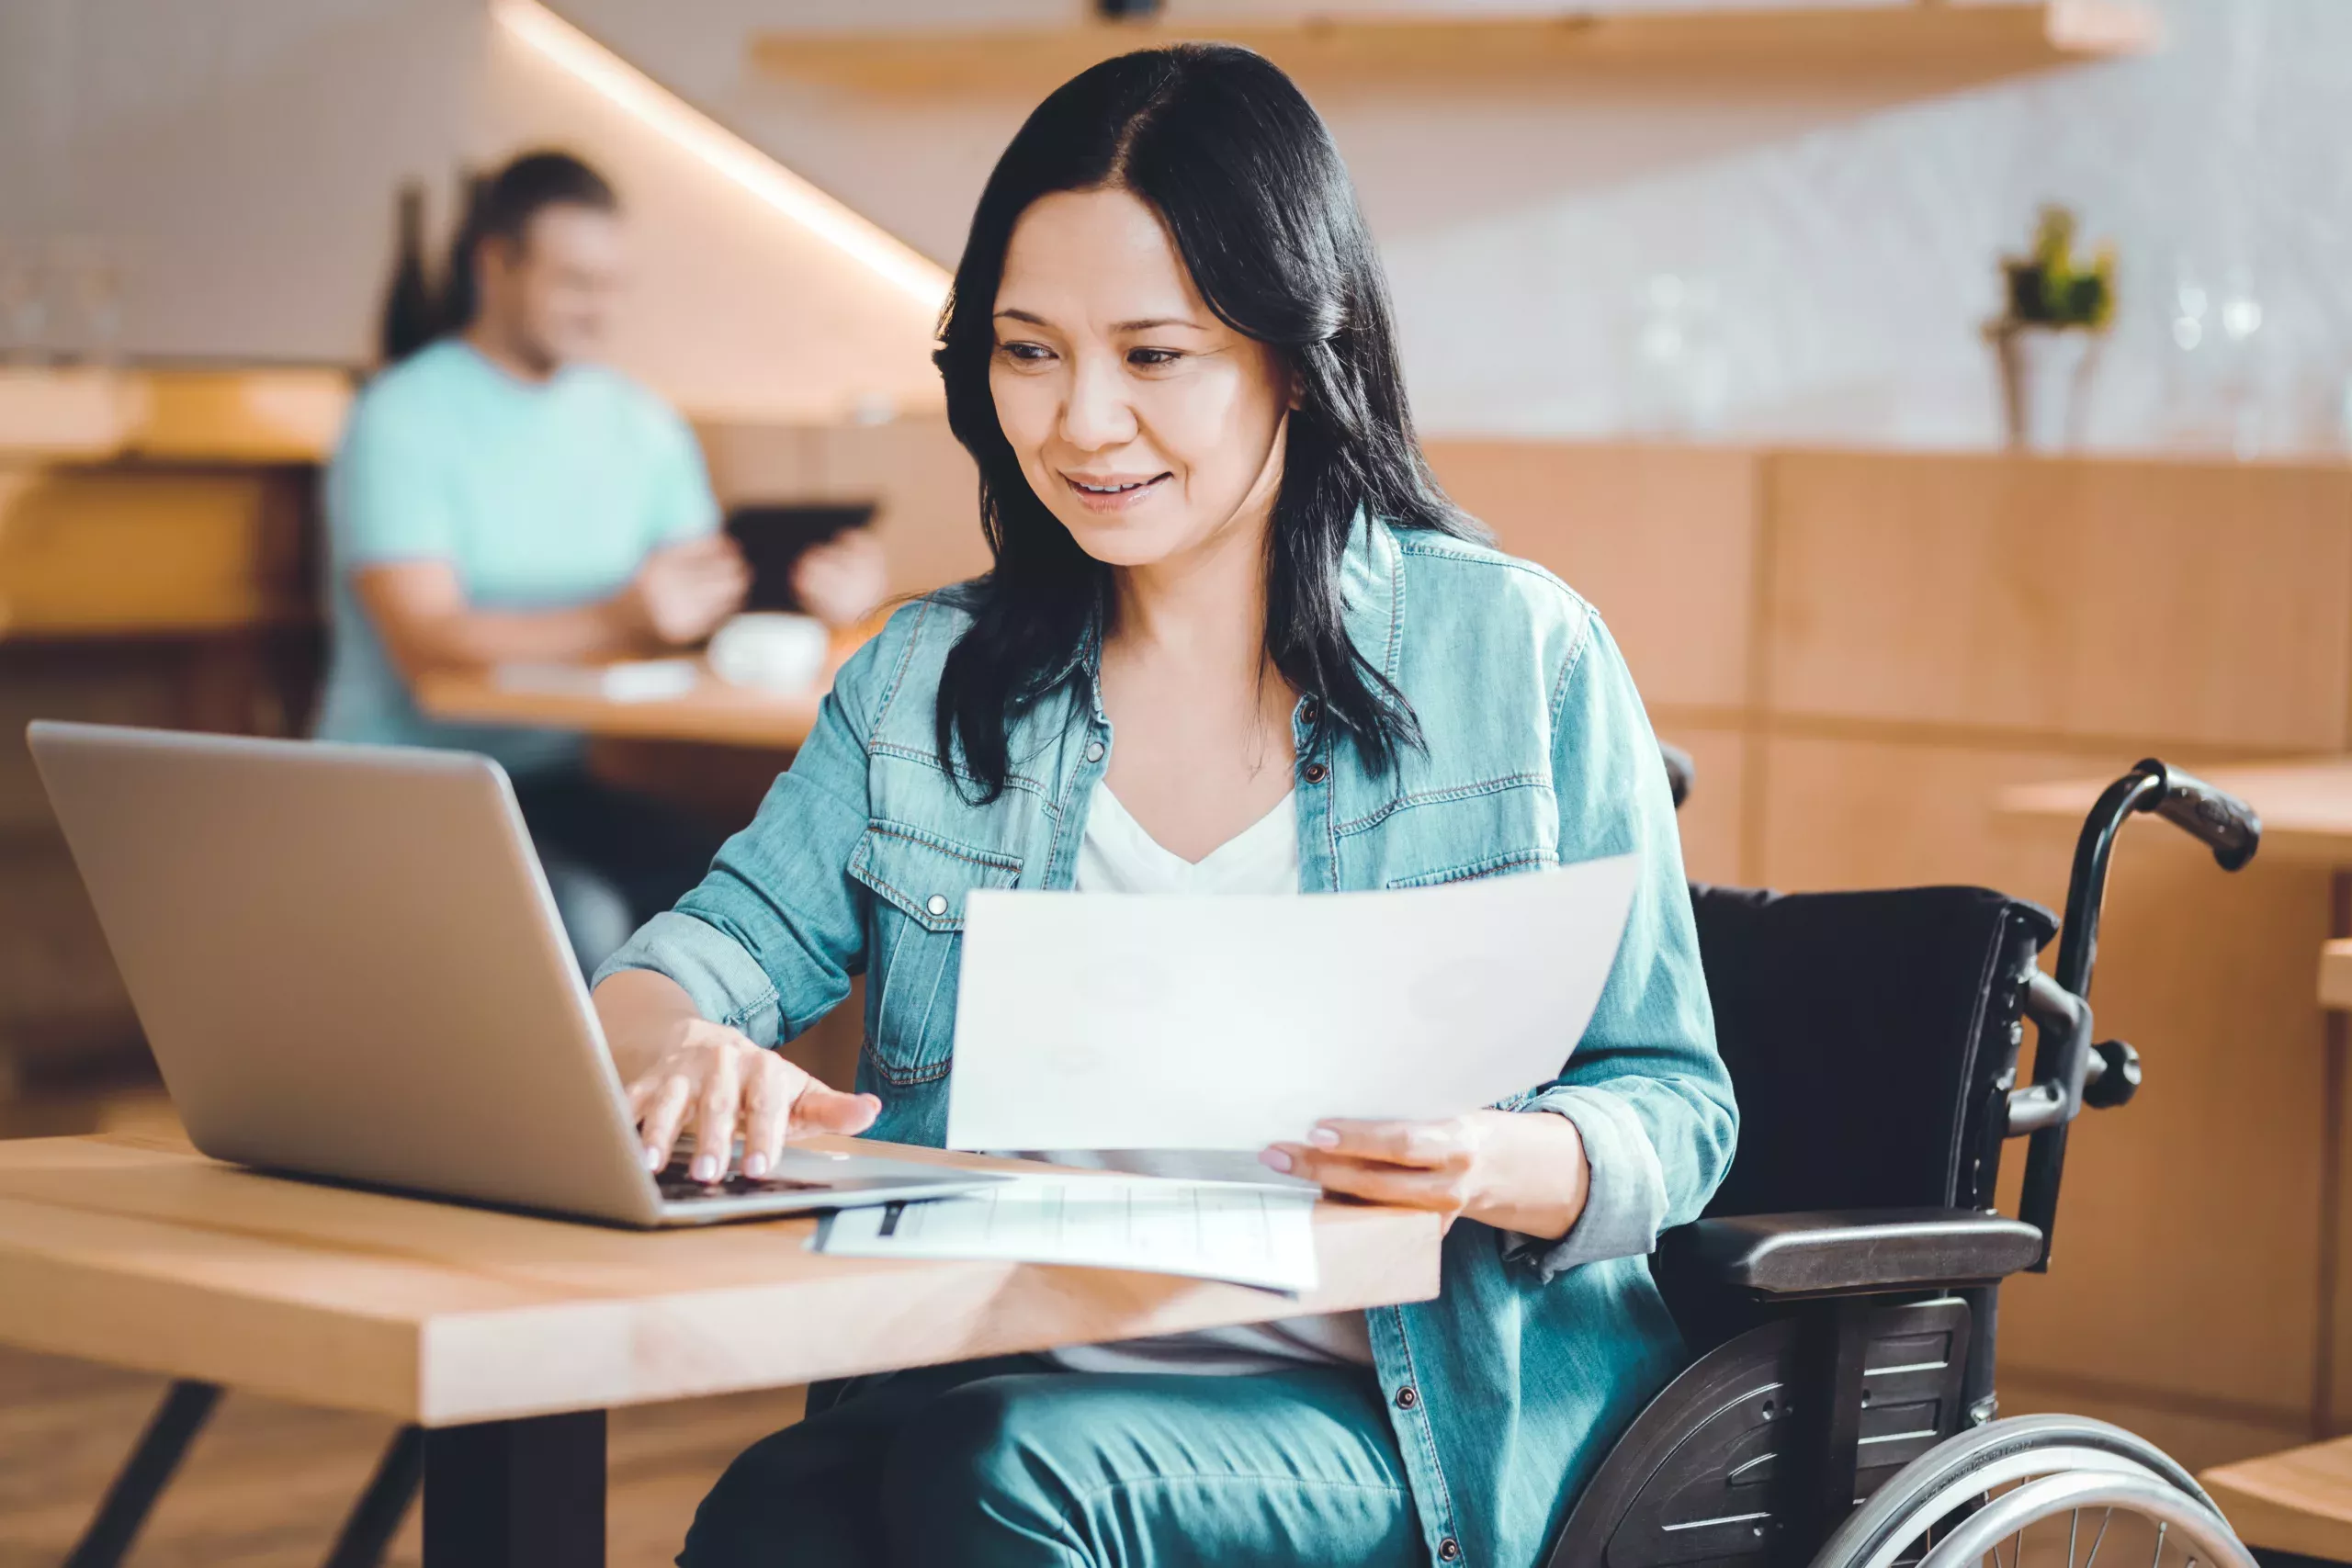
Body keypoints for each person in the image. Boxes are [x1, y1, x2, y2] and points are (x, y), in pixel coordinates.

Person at [592, 46, 1736, 1568]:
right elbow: (681, 965)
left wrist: (1482, 1158)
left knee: (1011, 1478)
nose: (1079, 424)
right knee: (776, 1515)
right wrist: (686, 1050)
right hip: (989, 1387)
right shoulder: (924, 683)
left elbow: (1677, 1105)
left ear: (1295, 354)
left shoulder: (1518, 657)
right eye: (1029, 351)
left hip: (1405, 1424)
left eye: (1154, 355)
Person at [315, 151, 748, 974]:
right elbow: (427, 639)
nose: (601, 309)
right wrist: (619, 619)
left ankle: (702, 1108)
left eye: (614, 285)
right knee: (574, 917)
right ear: (494, 264)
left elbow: (701, 602)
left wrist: (815, 595)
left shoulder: (643, 425)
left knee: (731, 890)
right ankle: (585, 1111)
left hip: (550, 778)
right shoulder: (403, 417)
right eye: (576, 282)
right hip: (397, 783)